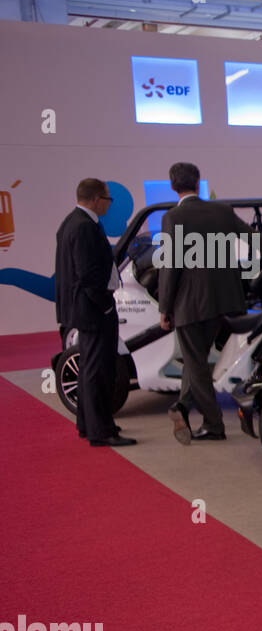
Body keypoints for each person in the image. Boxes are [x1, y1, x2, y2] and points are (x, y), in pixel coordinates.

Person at [157, 162, 262, 444]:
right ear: (198, 182)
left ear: (173, 186)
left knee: (196, 365)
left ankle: (213, 425)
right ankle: (181, 407)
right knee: (195, 360)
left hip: (189, 304)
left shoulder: (173, 217)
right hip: (222, 302)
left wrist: (165, 308)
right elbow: (251, 236)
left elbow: (171, 266)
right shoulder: (221, 211)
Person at [54, 179, 136, 447]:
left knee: (89, 369)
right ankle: (101, 430)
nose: (109, 205)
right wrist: (105, 305)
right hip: (94, 310)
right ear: (96, 199)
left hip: (82, 309)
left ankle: (89, 424)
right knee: (99, 371)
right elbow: (88, 274)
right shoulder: (84, 227)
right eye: (108, 199)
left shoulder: (71, 223)